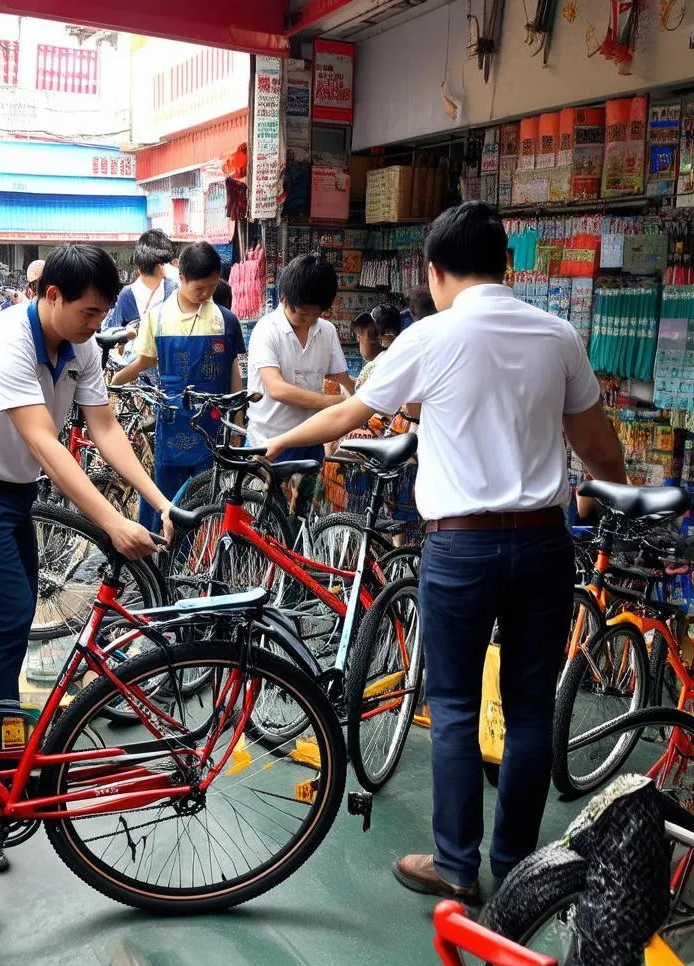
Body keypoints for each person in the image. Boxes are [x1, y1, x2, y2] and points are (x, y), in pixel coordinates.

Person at [263, 201, 627, 903]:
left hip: (460, 548)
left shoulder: (429, 338)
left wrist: (281, 440)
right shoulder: (557, 336)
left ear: (433, 272)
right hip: (543, 545)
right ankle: (517, 865)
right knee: (527, 712)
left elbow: (353, 411)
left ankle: (456, 866)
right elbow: (597, 444)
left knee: (455, 706)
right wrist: (614, 492)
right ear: (508, 266)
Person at [0, 243, 173, 705]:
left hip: (14, 483)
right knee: (8, 610)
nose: (96, 323)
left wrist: (160, 501)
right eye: (89, 311)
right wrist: (113, 524)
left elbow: (105, 426)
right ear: (53, 294)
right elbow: (43, 441)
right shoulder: (7, 339)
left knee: (18, 603)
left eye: (103, 313)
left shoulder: (83, 346)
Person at [111, 242, 244, 531]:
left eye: (212, 287)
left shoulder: (226, 320)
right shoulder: (156, 317)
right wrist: (114, 381)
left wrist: (237, 421)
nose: (206, 295)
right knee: (163, 500)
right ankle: (153, 563)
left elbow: (233, 369)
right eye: (200, 289)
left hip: (214, 428)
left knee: (209, 503)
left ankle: (197, 566)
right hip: (173, 425)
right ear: (181, 278)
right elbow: (145, 360)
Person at [245, 255, 354, 461]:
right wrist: (333, 402)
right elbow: (276, 388)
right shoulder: (267, 330)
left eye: (316, 315)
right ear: (284, 298)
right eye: (303, 315)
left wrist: (358, 397)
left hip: (310, 441)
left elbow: (342, 380)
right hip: (266, 442)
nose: (309, 321)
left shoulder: (327, 331)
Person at [103, 229, 177, 330]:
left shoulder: (172, 288)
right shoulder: (127, 295)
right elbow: (111, 330)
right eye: (165, 263)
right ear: (160, 265)